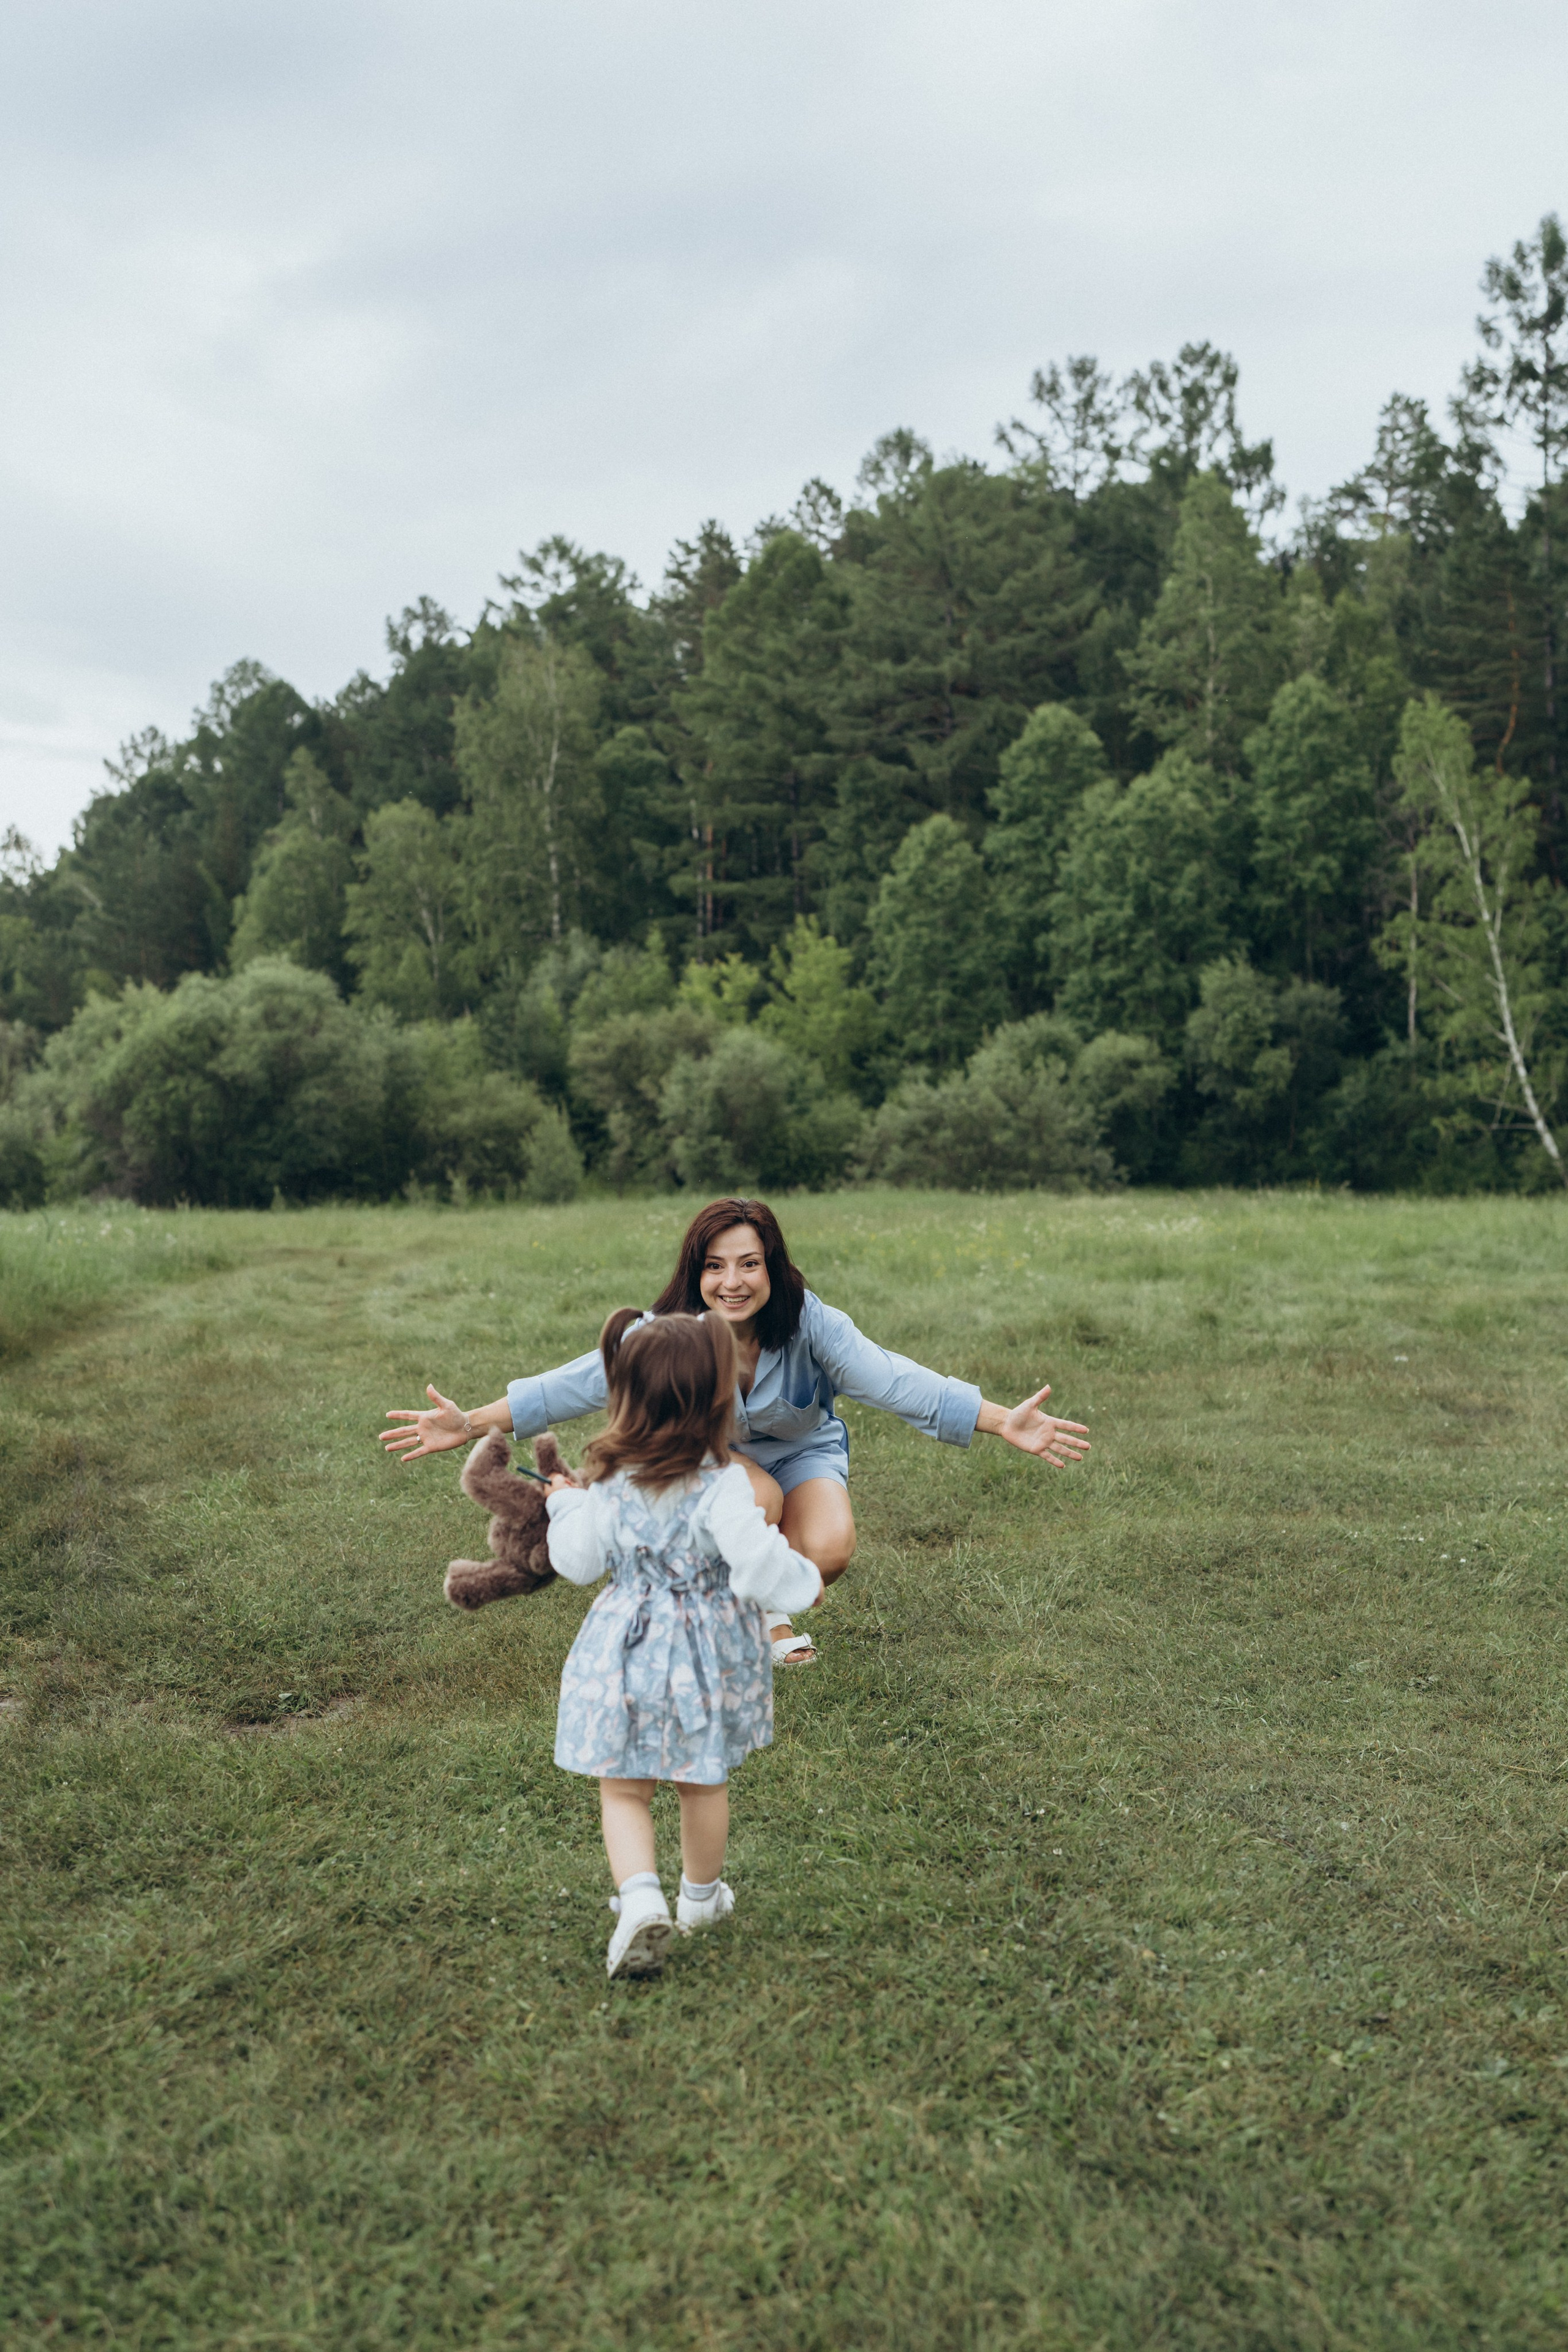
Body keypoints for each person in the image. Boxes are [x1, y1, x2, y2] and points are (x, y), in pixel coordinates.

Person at [381, 1196, 1090, 1666]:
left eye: (749, 1264)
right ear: (697, 1273)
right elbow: (581, 1380)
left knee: (828, 1551)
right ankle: (758, 1627)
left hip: (805, 1451)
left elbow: (895, 1381)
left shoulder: (812, 1321)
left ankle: (747, 1612)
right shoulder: (676, 1333)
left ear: (772, 1268)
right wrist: (469, 1419)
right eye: (716, 1266)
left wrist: (1001, 1422)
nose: (733, 1281)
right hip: (715, 1462)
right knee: (756, 1505)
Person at [543, 1306, 822, 1978]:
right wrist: (803, 1580)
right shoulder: (722, 1483)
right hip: (705, 1654)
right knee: (701, 1779)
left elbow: (576, 1563)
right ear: (714, 1399)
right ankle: (699, 1902)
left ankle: (639, 1897)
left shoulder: (608, 1484)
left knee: (623, 1786)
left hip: (626, 1650)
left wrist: (563, 1504)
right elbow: (756, 1562)